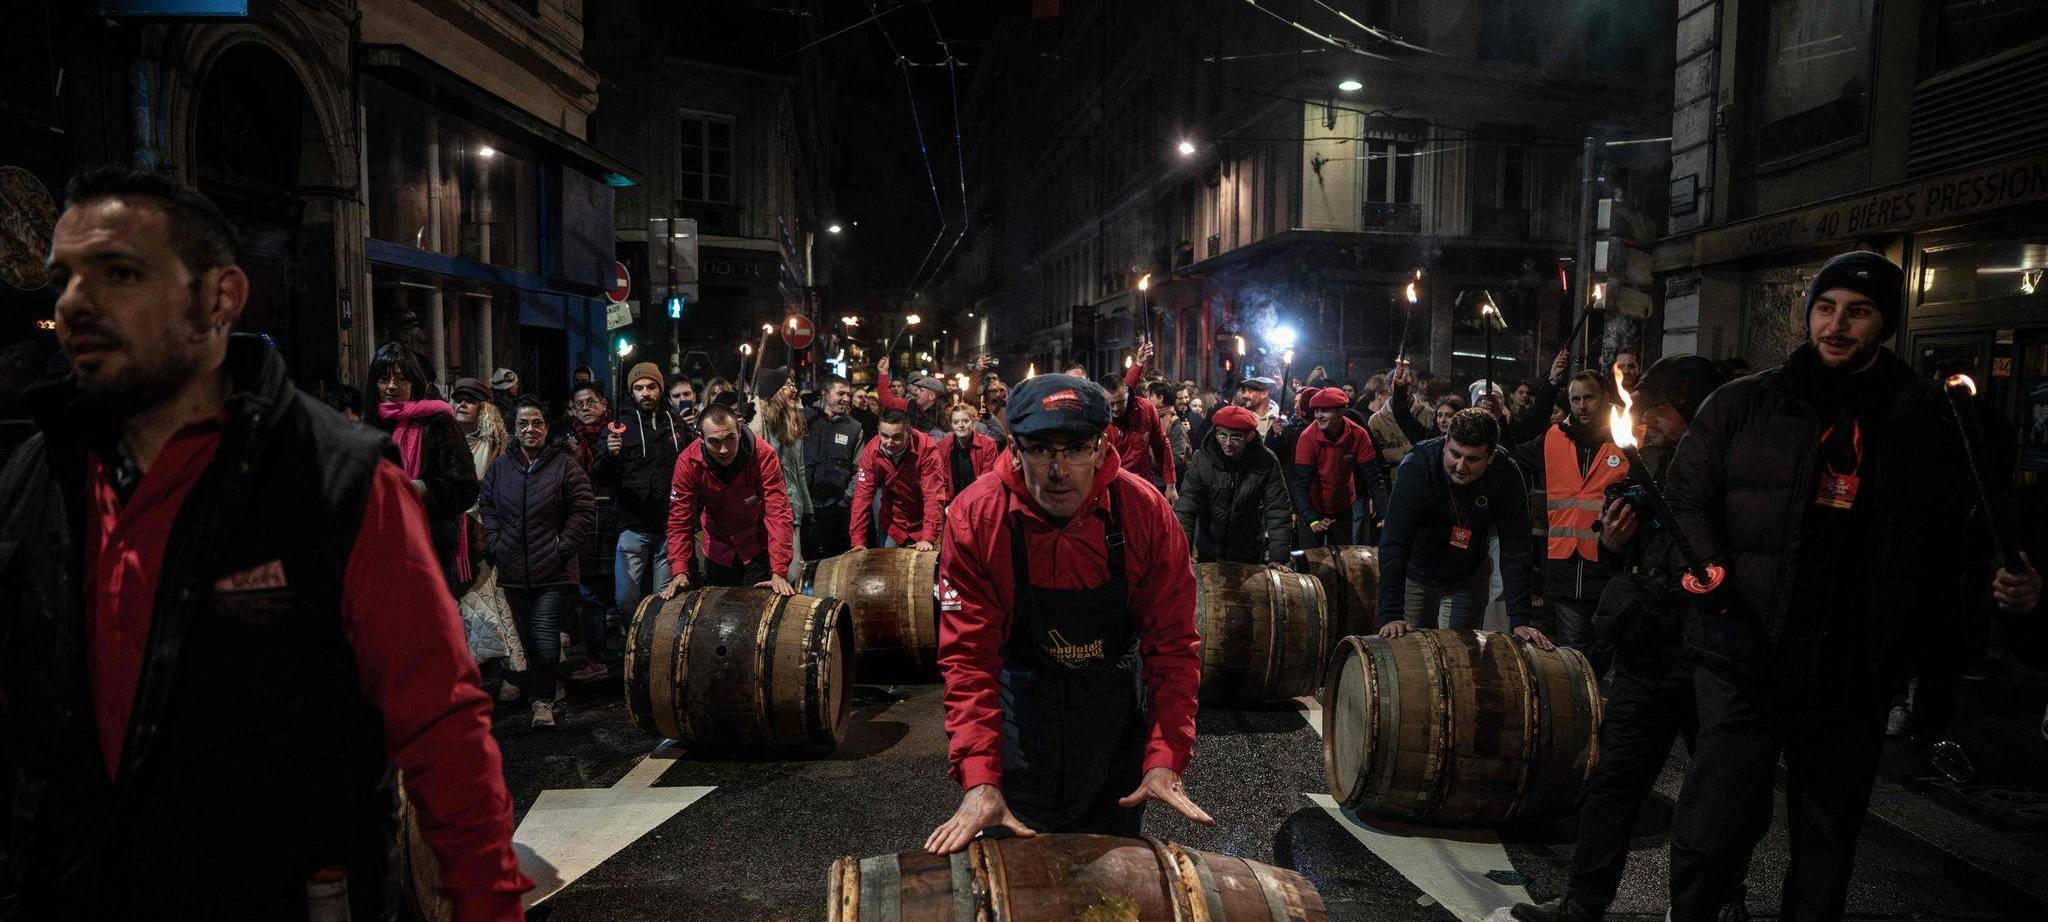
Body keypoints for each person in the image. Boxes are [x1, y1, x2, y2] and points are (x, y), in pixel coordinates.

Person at [3, 166, 525, 917]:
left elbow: (440, 721)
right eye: (64, 278)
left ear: (220, 298)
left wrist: (488, 906)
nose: (76, 303)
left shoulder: (335, 479)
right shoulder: (37, 476)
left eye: (119, 272)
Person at [1660, 251, 2009, 922]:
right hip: (1744, 648)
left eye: (1859, 310)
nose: (1837, 324)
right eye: (1826, 308)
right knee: (1714, 825)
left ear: (1886, 323)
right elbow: (1687, 495)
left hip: (1851, 668)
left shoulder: (1919, 419)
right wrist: (1710, 575)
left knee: (1826, 844)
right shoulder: (1744, 403)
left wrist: (1927, 660)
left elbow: (1947, 541)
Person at [924, 374, 1212, 853]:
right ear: (1014, 448)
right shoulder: (976, 517)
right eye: (1041, 449)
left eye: (1076, 448)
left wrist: (1164, 756)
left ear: (1101, 447)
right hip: (1021, 717)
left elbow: (1174, 647)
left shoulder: (1145, 513)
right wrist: (979, 779)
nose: (1059, 470)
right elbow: (968, 661)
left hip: (1110, 721)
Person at [1512, 355, 1727, 922]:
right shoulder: (1650, 467)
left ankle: (1716, 907)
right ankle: (1582, 905)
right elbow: (1632, 553)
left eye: (1657, 413)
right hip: (1649, 651)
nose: (1646, 424)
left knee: (1718, 797)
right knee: (1612, 784)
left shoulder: (1729, 470)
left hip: (1710, 654)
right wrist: (1614, 540)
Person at [1376, 409, 1548, 645]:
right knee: (1413, 654)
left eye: (1473, 459)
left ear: (1491, 456)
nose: (1460, 466)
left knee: (1460, 653)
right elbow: (1394, 540)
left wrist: (1520, 619)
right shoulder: (1418, 464)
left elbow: (1517, 546)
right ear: (1445, 442)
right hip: (1418, 572)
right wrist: (1391, 614)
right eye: (1455, 454)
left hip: (1467, 576)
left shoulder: (1506, 472)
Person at [479, 399, 596, 727]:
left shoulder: (565, 464)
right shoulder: (502, 467)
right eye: (523, 424)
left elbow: (583, 508)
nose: (530, 430)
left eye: (537, 423)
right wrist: (495, 542)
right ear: (515, 429)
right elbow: (486, 504)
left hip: (554, 568)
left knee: (544, 631)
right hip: (514, 566)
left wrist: (563, 545)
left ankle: (541, 702)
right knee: (528, 635)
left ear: (547, 427)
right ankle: (546, 685)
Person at [1509, 366, 1627, 654]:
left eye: (1589, 398)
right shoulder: (1553, 438)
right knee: (1574, 649)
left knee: (1606, 648)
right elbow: (1512, 455)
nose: (1582, 406)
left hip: (1608, 565)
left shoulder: (1626, 439)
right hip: (1562, 564)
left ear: (1605, 398)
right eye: (1575, 400)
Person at [370, 342, 480, 595]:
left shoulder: (438, 423)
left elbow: (465, 488)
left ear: (415, 381)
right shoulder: (371, 423)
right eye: (383, 379)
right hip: (382, 548)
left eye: (401, 379)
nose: (392, 387)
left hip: (430, 548)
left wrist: (420, 488)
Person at [591, 362, 685, 658]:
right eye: (639, 388)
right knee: (626, 599)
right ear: (631, 391)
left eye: (651, 386)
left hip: (668, 525)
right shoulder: (617, 427)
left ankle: (653, 654)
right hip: (632, 524)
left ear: (660, 388)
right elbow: (600, 476)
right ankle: (635, 639)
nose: (646, 393)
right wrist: (609, 454)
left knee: (663, 600)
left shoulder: (675, 424)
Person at [658, 403, 796, 596]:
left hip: (756, 545)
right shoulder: (688, 462)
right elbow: (679, 519)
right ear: (701, 439)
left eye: (730, 439)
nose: (724, 449)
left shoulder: (764, 455)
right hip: (718, 546)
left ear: (739, 430)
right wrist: (680, 570)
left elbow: (778, 513)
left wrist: (779, 571)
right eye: (714, 442)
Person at [1175, 404, 1291, 566]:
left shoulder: (1266, 462)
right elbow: (1187, 507)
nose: (1227, 443)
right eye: (1222, 435)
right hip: (1209, 550)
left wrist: (1278, 557)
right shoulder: (1202, 458)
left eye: (1235, 437)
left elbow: (1278, 509)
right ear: (1216, 433)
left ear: (1249, 436)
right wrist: (1182, 553)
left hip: (1248, 551)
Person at [1290, 386, 1387, 549]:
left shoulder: (1358, 434)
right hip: (1313, 505)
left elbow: (1374, 479)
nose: (1318, 415)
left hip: (1343, 506)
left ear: (1341, 411)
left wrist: (1384, 514)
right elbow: (1300, 484)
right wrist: (1311, 518)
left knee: (1345, 560)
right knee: (1311, 562)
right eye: (1317, 410)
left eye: (1325, 411)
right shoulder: (1307, 437)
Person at [851, 409, 947, 550]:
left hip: (923, 522)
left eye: (896, 437)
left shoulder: (926, 448)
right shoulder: (871, 451)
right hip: (892, 523)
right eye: (884, 436)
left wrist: (928, 537)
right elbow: (862, 497)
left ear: (909, 432)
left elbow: (933, 496)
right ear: (878, 431)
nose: (889, 442)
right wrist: (858, 541)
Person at [750, 366, 811, 580]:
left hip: (792, 509)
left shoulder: (793, 424)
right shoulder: (758, 426)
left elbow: (799, 470)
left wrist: (807, 508)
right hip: (766, 511)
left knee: (793, 572)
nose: (793, 390)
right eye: (787, 385)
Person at [802, 373, 864, 560]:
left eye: (848, 394)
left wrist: (846, 498)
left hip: (836, 509)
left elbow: (859, 468)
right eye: (840, 394)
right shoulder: (804, 419)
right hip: (807, 507)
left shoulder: (854, 428)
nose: (846, 399)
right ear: (825, 394)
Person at [938, 402, 1001, 501]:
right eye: (956, 422)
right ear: (951, 424)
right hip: (952, 503)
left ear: (973, 422)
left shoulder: (988, 444)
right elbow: (942, 482)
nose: (961, 425)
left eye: (966, 421)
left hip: (980, 500)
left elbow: (986, 481)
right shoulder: (942, 446)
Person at [875, 356, 950, 436]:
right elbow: (887, 400)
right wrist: (883, 373)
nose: (917, 392)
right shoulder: (909, 405)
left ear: (931, 396)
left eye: (921, 390)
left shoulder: (944, 416)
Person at [565, 382, 611, 472]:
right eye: (579, 404)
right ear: (574, 410)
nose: (585, 408)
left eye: (590, 402)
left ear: (604, 404)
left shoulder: (616, 430)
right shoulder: (567, 437)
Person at [1236, 375, 1282, 440]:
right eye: (1245, 391)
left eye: (1249, 391)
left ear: (1264, 394)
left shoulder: (1279, 421)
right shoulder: (1241, 417)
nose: (1244, 395)